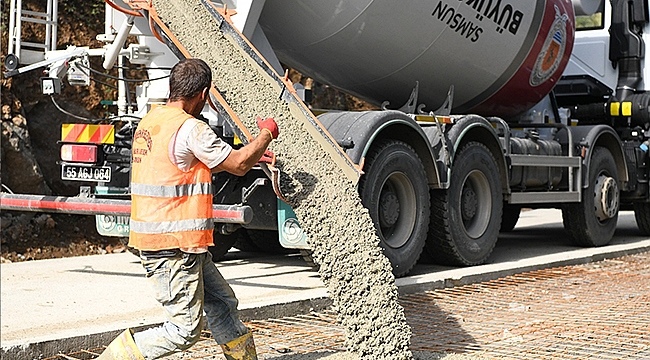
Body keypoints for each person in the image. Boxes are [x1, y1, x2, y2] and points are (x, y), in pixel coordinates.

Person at [97, 58, 278, 360]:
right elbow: (238, 164)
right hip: (174, 247)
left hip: (173, 243)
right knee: (183, 331)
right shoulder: (192, 129)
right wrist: (266, 133)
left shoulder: (152, 122)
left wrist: (252, 153)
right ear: (204, 94)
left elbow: (179, 165)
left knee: (221, 302)